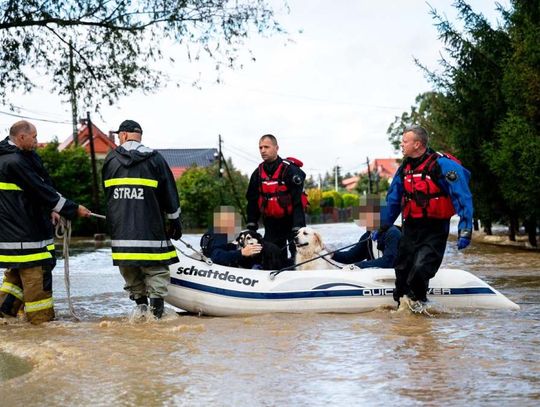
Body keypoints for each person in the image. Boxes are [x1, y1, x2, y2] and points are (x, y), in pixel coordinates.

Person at [0, 120, 91, 324]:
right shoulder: (15, 162)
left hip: (14, 235)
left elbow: (41, 188)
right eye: (34, 137)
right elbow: (41, 191)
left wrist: (52, 208)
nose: (37, 141)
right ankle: (41, 328)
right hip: (27, 235)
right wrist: (74, 209)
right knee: (37, 281)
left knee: (15, 278)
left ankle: (5, 318)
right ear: (21, 137)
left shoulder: (14, 157)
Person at [383, 125, 473, 312]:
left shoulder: (442, 165)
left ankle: (419, 306)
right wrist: (381, 228)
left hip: (435, 227)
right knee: (402, 270)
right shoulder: (404, 169)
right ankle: (405, 317)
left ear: (417, 144)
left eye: (404, 141)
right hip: (411, 227)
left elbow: (462, 196)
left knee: (420, 267)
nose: (401, 144)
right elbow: (392, 201)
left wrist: (465, 229)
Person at [102, 119, 182, 319]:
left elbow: (107, 195)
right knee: (156, 273)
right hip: (151, 231)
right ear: (139, 136)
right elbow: (170, 194)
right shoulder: (156, 159)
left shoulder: (110, 160)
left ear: (122, 135)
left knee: (131, 275)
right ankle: (156, 318)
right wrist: (175, 221)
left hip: (121, 233)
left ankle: (140, 313)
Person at [245, 134, 307, 264]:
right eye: (260, 147)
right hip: (271, 223)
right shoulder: (257, 173)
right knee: (272, 256)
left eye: (266, 147)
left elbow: (297, 202)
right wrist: (252, 224)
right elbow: (252, 201)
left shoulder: (290, 170)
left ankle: (299, 274)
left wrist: (298, 227)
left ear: (276, 148)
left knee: (298, 256)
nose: (263, 150)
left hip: (292, 221)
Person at [332, 195, 401, 269]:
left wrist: (359, 265)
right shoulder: (368, 236)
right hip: (377, 277)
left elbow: (388, 262)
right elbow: (351, 256)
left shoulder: (393, 233)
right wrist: (331, 254)